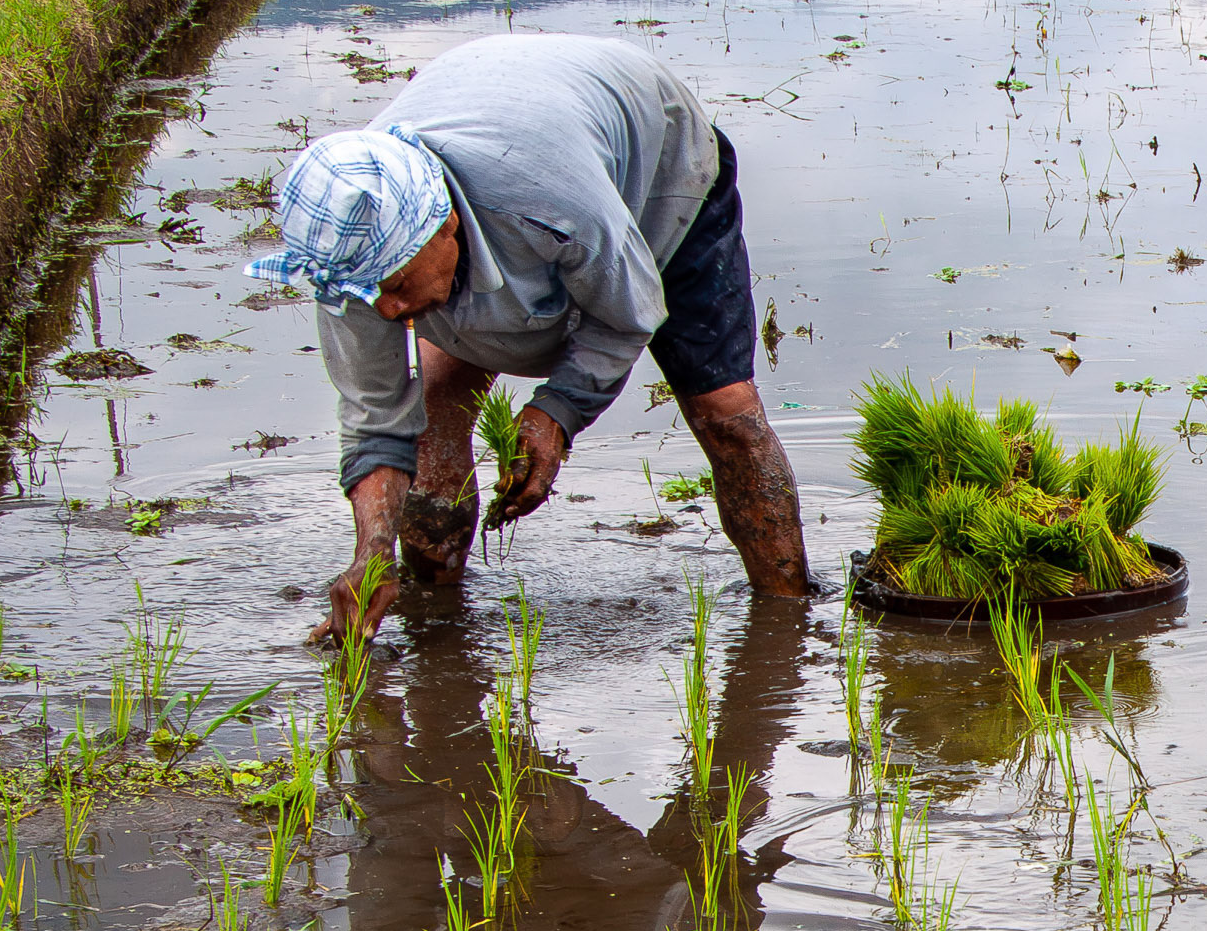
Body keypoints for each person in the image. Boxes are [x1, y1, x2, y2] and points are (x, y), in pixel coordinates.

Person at [245, 33, 814, 641]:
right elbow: (375, 418)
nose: (389, 310)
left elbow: (625, 315)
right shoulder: (351, 258)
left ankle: (788, 621)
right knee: (435, 405)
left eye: (396, 284)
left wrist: (556, 414)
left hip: (655, 169)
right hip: (508, 129)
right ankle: (438, 621)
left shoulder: (553, 205)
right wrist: (371, 551)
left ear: (446, 226)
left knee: (724, 413)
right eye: (369, 295)